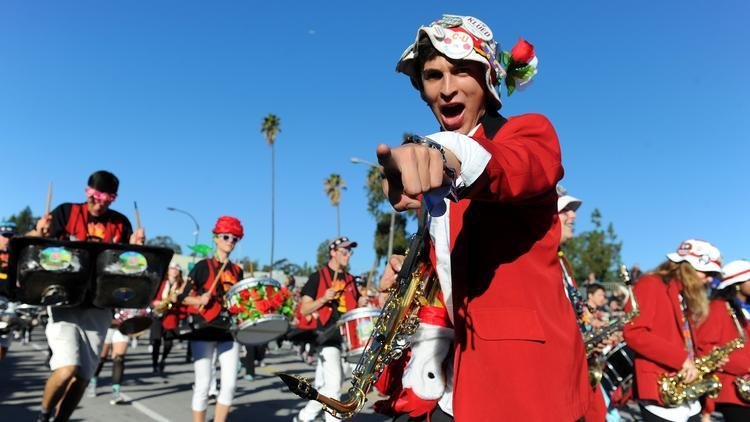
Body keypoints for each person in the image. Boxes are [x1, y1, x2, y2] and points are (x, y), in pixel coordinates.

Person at [377, 14, 589, 420]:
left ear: (489, 80)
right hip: (451, 378)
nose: (447, 87)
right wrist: (416, 272)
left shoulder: (528, 133)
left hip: (523, 387)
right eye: (433, 75)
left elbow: (507, 167)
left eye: (461, 71)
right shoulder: (435, 180)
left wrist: (440, 153)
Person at [28, 170, 144, 422]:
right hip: (65, 302)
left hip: (99, 307)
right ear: (86, 191)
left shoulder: (121, 223)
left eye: (106, 198)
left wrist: (137, 248)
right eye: (95, 196)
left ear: (113, 199)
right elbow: (29, 247)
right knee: (67, 367)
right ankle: (43, 414)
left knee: (82, 377)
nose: (99, 202)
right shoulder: (66, 212)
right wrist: (39, 232)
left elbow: (130, 267)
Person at [622, 239, 721, 422]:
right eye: (707, 273)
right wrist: (681, 358)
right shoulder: (650, 284)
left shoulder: (684, 294)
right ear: (687, 267)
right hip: (661, 393)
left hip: (688, 398)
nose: (709, 279)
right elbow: (633, 332)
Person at [294, 236, 369, 422]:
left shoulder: (351, 280)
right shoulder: (317, 277)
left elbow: (356, 308)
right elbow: (304, 309)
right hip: (328, 337)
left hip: (349, 340)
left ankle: (304, 417)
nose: (348, 255)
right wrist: (323, 299)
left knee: (329, 387)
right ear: (333, 253)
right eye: (344, 251)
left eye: (350, 251)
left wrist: (361, 302)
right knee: (334, 386)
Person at [177, 216, 244, 422]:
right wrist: (198, 299)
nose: (230, 241)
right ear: (216, 238)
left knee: (230, 384)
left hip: (228, 331)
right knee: (204, 383)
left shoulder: (237, 270)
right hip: (204, 328)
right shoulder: (202, 266)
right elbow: (180, 297)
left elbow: (242, 301)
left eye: (235, 238)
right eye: (226, 237)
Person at [694, 260, 750, 422]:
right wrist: (745, 365)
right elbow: (705, 348)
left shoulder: (745, 309)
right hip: (733, 390)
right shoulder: (718, 307)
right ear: (737, 284)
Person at [150, 261, 187, 375]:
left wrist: (178, 301)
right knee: (156, 341)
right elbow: (152, 296)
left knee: (168, 343)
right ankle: (155, 363)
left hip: (171, 317)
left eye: (176, 269)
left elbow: (185, 303)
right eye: (172, 268)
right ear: (168, 270)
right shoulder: (161, 282)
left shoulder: (181, 285)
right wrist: (154, 303)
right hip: (157, 315)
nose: (174, 271)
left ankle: (163, 359)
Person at [87, 312, 132, 404]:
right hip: (105, 324)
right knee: (101, 357)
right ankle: (93, 381)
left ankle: (116, 391)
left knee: (119, 358)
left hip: (122, 326)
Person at [0, 221, 17, 360]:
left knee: (4, 342)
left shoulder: (18, 256)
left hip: (9, 302)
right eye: (4, 235)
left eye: (10, 236)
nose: (7, 239)